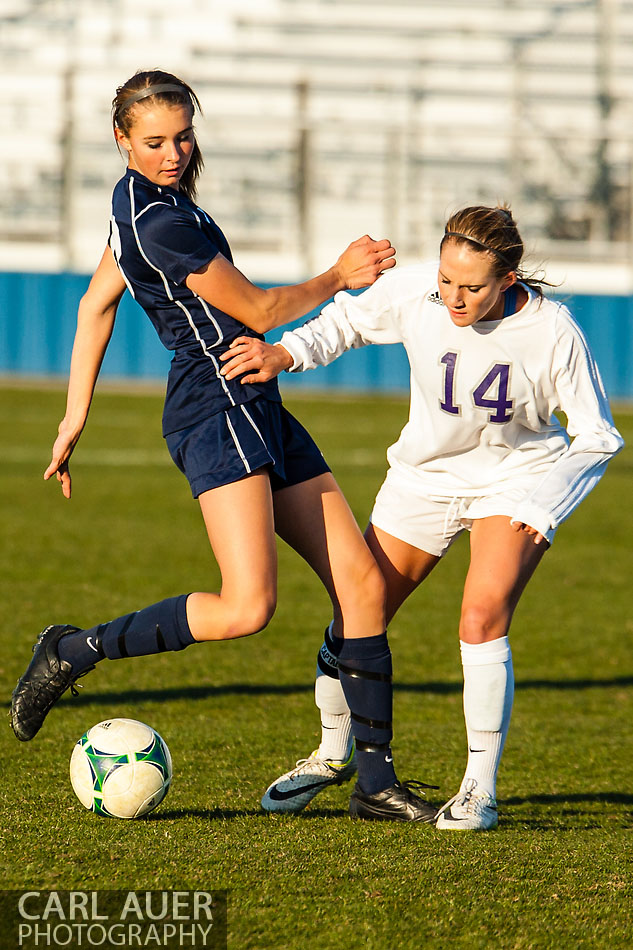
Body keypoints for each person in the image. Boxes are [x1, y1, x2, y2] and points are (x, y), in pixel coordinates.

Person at [10, 69, 440, 824]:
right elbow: (260, 308)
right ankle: (74, 651)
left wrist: (72, 418)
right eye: (153, 142)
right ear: (122, 141)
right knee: (246, 606)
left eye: (182, 137)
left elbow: (93, 304)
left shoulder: (139, 202)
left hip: (255, 397)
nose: (172, 152)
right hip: (216, 406)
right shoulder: (159, 223)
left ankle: (374, 783)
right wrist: (339, 275)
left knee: (363, 586)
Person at [219, 204, 624, 830]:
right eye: (446, 280)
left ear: (509, 278)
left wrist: (544, 505)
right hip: (424, 480)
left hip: (514, 483)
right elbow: (349, 321)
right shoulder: (419, 293)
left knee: (480, 616)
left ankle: (478, 791)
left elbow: (598, 436)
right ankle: (333, 752)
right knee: (361, 609)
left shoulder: (554, 331)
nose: (453, 297)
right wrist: (286, 353)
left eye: (472, 287)